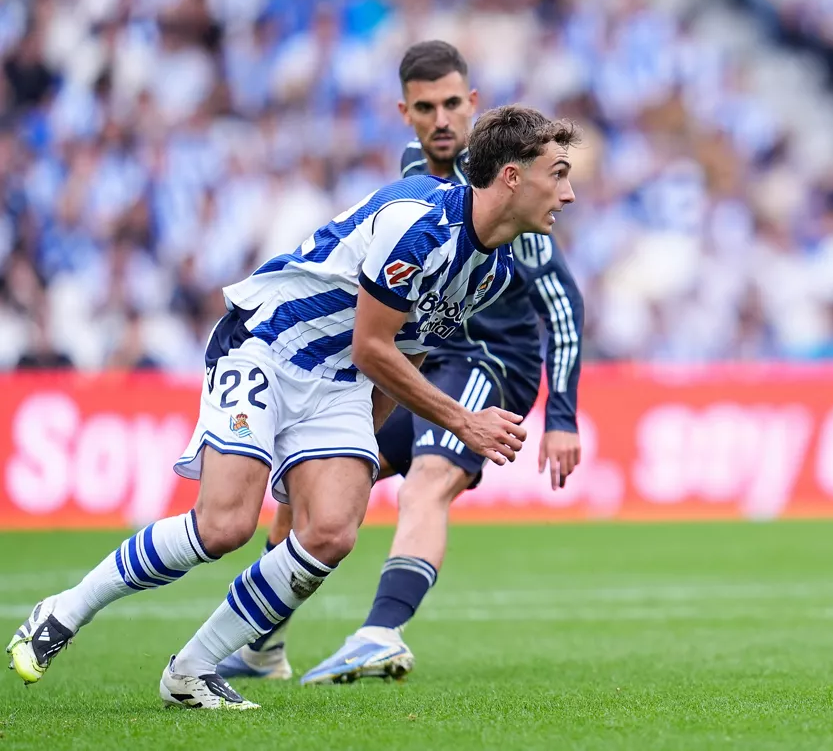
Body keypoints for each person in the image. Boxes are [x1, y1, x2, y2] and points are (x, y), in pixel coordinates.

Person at [7, 105, 580, 710]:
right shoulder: (422, 222)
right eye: (559, 173)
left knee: (332, 532)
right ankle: (63, 610)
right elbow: (372, 344)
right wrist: (465, 420)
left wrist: (358, 446)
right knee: (224, 526)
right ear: (512, 177)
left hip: (338, 386)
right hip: (267, 345)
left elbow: (404, 357)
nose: (567, 194)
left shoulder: (490, 271)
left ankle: (192, 670)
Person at [216, 41, 585, 685]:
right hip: (417, 361)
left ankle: (380, 632)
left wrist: (562, 413)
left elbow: (562, 301)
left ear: (472, 105)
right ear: (405, 113)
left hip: (489, 360)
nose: (441, 120)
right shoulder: (415, 179)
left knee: (429, 479)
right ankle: (262, 647)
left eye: (452, 104)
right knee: (303, 498)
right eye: (426, 107)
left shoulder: (507, 183)